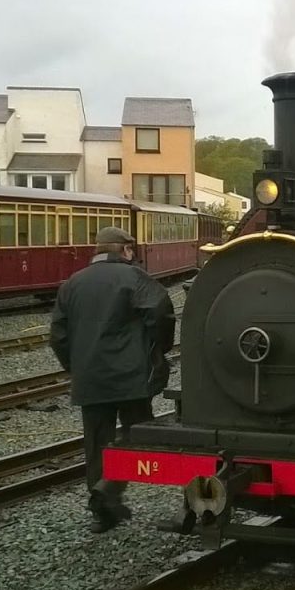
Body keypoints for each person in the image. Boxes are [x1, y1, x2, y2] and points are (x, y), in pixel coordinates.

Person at [50, 226, 176, 533]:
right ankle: (111, 486)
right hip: (131, 377)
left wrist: (77, 367)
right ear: (126, 251)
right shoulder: (134, 278)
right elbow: (161, 313)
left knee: (95, 444)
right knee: (140, 435)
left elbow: (58, 336)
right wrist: (158, 349)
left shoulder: (71, 284)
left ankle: (101, 512)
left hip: (90, 380)